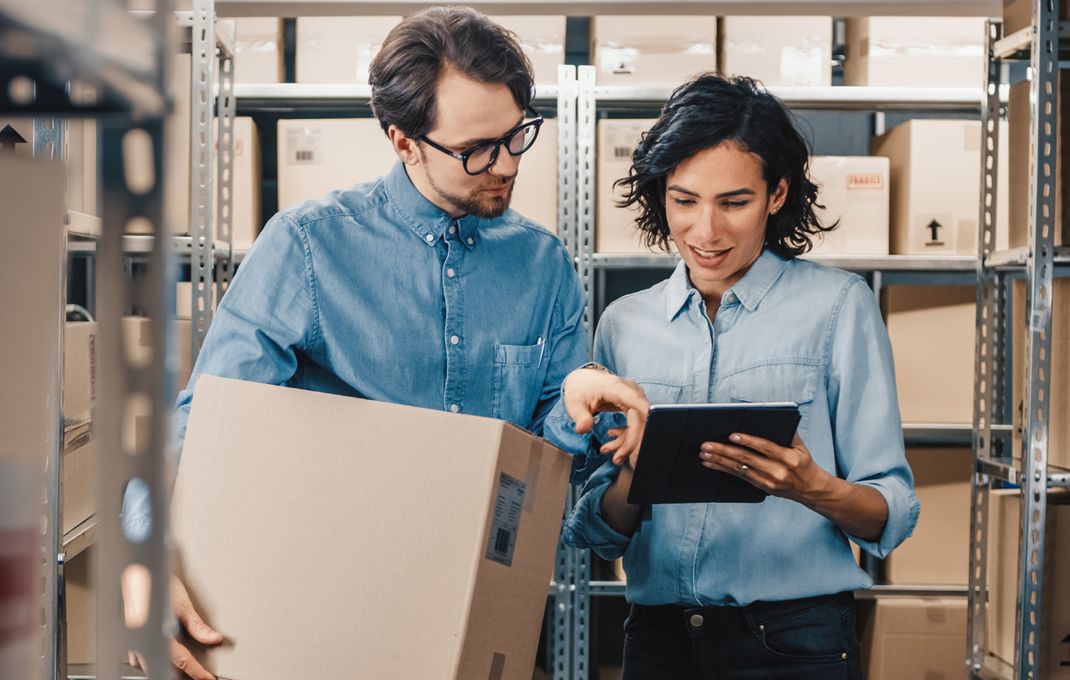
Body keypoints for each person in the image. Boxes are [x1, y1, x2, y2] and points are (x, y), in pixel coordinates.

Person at [120, 8, 647, 679]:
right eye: (478, 149)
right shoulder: (309, 247)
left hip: (485, 611)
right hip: (329, 613)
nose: (507, 164)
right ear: (404, 141)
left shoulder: (542, 265)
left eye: (517, 136)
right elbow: (205, 421)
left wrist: (573, 398)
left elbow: (542, 459)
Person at [550, 74, 920, 679]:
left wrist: (810, 487)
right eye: (684, 200)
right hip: (657, 642)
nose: (706, 232)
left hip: (794, 642)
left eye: (734, 202)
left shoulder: (838, 308)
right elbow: (598, 533)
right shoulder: (624, 324)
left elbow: (892, 513)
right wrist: (634, 477)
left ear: (776, 194)